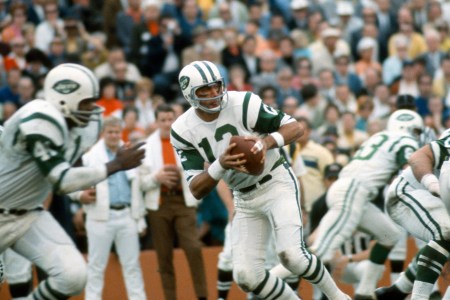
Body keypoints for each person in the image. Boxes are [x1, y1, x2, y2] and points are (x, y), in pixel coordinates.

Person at [171, 60, 350, 300]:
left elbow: (295, 128)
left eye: (216, 86)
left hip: (275, 180)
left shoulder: (243, 102)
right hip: (243, 196)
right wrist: (220, 164)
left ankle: (338, 297)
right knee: (246, 276)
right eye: (205, 90)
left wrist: (264, 143)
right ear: (190, 94)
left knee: (292, 256)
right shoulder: (182, 130)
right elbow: (196, 189)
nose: (214, 94)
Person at [0, 63, 146, 299]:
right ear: (64, 99)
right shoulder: (38, 119)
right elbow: (62, 179)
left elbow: (72, 167)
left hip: (27, 215)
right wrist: (115, 165)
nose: (93, 109)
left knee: (73, 276)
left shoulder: (83, 126)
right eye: (86, 102)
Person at [310, 109, 424, 300]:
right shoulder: (405, 141)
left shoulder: (379, 138)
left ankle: (364, 293)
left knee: (390, 235)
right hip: (353, 193)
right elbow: (409, 172)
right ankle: (275, 277)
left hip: (354, 197)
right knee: (319, 252)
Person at [139, 104, 208, 300]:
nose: (167, 123)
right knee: (164, 255)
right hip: (159, 203)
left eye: (171, 119)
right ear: (156, 122)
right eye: (163, 120)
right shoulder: (146, 146)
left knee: (193, 248)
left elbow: (201, 170)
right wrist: (156, 177)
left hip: (183, 201)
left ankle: (202, 295)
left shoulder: (187, 140)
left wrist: (182, 171)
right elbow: (141, 183)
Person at [375, 127, 450, 300]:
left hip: (438, 199)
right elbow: (417, 157)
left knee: (443, 236)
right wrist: (432, 183)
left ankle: (397, 291)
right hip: (410, 191)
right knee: (445, 232)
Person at [81, 116, 147, 300]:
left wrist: (139, 219)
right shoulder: (90, 157)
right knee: (96, 266)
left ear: (121, 133)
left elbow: (137, 189)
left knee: (132, 266)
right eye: (110, 132)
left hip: (126, 215)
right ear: (103, 133)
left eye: (117, 132)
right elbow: (74, 184)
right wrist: (80, 196)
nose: (114, 135)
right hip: (100, 216)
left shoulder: (129, 154)